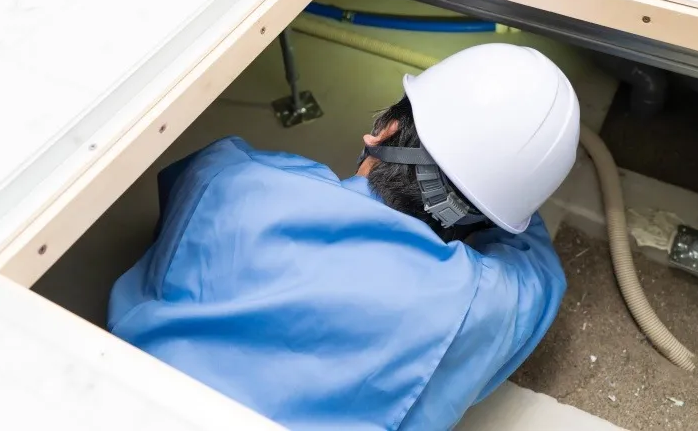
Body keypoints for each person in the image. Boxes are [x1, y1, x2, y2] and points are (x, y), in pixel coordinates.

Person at [108, 43, 580, 430]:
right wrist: (504, 183)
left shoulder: (228, 178)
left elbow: (187, 191)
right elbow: (537, 266)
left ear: (384, 131)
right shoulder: (477, 303)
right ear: (486, 220)